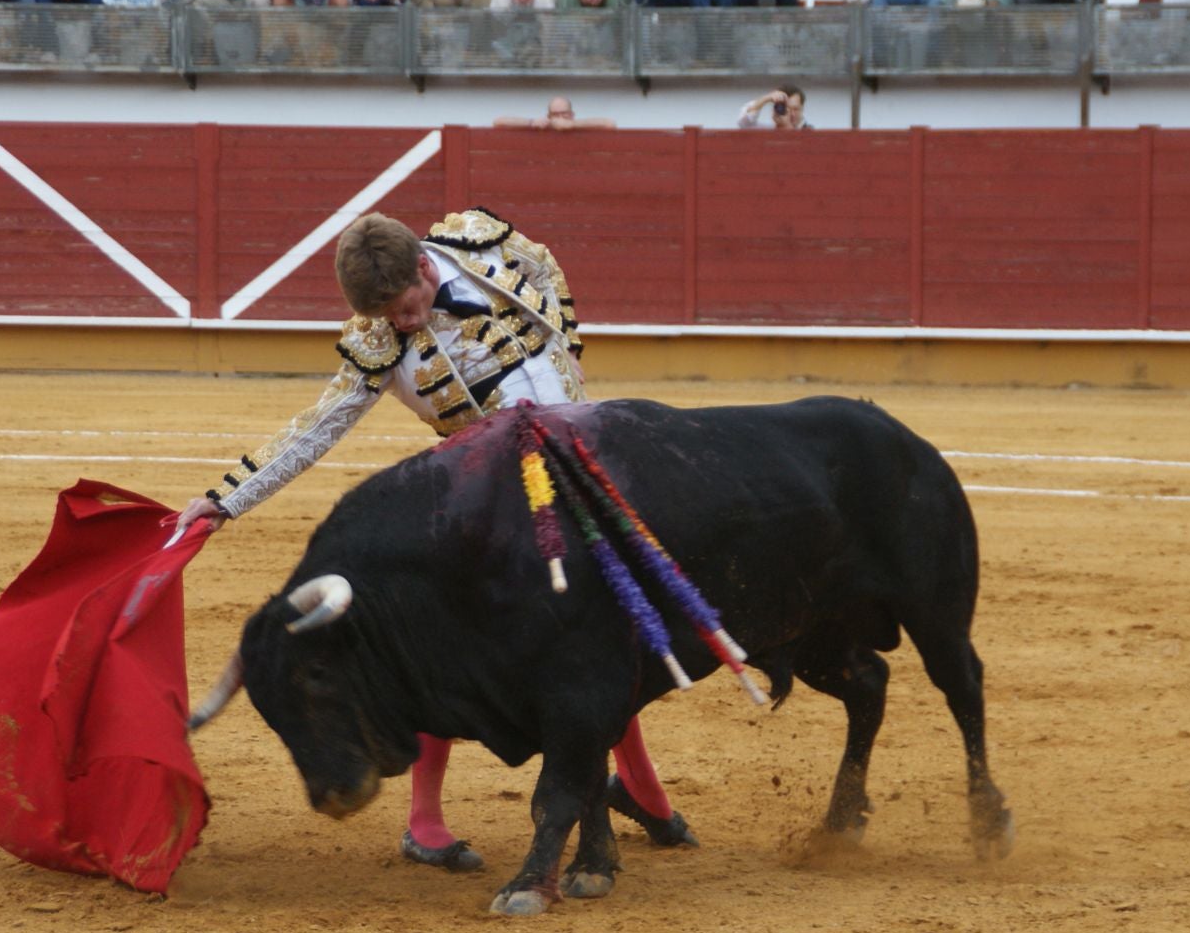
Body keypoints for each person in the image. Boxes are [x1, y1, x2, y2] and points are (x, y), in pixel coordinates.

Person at [172, 209, 698, 870]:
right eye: (391, 317)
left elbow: (546, 265)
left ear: (425, 266)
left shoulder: (478, 242)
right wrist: (226, 498)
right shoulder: (376, 345)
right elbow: (313, 430)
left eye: (409, 306)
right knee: (449, 652)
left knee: (607, 626)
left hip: (583, 471)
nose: (405, 323)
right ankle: (425, 820)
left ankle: (642, 790)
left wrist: (569, 348)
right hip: (492, 509)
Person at [494, 95, 618, 128]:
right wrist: (530, 122)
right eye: (555, 115)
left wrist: (573, 125)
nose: (560, 118)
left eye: (564, 113)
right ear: (549, 116)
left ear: (572, 115)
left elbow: (609, 123)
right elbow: (498, 121)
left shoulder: (579, 126)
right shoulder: (543, 126)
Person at [737, 83, 810, 127]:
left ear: (802, 109)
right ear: (776, 109)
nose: (791, 114)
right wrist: (766, 98)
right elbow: (744, 123)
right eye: (786, 108)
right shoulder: (767, 132)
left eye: (795, 109)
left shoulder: (810, 133)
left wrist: (786, 127)